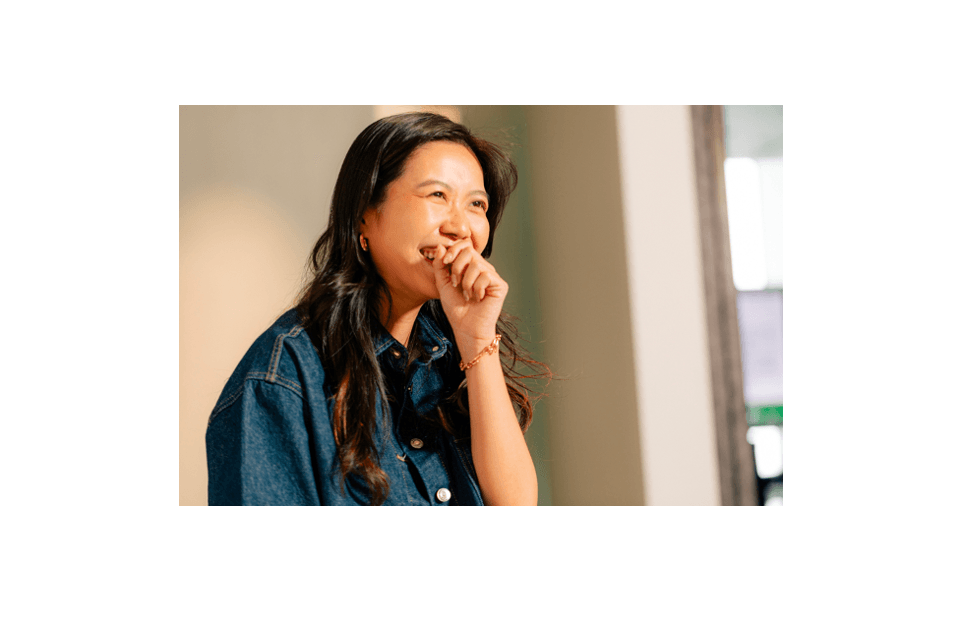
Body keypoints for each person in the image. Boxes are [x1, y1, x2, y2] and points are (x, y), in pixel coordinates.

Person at [206, 111, 549, 506]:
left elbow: (517, 507)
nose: (460, 228)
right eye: (437, 195)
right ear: (364, 216)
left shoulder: (452, 358)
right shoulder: (284, 375)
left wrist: (477, 339)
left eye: (476, 204)